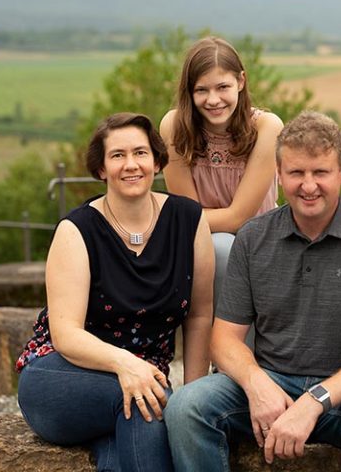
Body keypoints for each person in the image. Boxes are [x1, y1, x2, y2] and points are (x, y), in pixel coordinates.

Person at [165, 111, 341, 472]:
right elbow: (224, 341)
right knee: (187, 406)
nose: (308, 185)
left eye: (320, 173)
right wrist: (256, 385)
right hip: (273, 382)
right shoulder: (253, 238)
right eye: (296, 173)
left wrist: (315, 401)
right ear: (279, 176)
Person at [16, 112, 214, 472]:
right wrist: (126, 365)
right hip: (61, 375)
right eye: (117, 155)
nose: (131, 165)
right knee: (148, 402)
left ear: (156, 161)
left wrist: (193, 397)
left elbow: (200, 314)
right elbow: (66, 334)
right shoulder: (77, 230)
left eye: (140, 153)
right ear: (101, 168)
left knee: (137, 422)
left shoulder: (188, 219)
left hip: (141, 379)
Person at [160, 36, 283, 308]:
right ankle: (218, 346)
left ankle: (237, 347)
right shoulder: (174, 126)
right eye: (201, 90)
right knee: (220, 247)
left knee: (225, 247)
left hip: (261, 238)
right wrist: (181, 220)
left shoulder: (266, 127)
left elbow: (240, 217)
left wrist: (172, 219)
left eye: (223, 87)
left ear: (241, 81)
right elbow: (188, 212)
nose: (213, 100)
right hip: (203, 244)